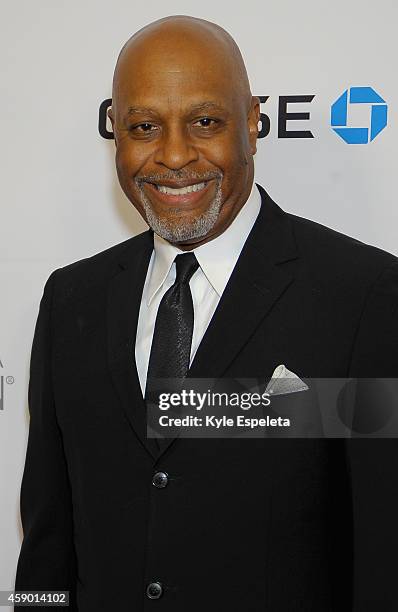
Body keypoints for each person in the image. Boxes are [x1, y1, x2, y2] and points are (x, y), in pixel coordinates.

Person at [15, 15, 398, 612]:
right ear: (115, 131)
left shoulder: (363, 296)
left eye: (205, 122)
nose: (173, 155)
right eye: (144, 126)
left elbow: (384, 554)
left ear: (253, 120)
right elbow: (46, 543)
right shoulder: (72, 300)